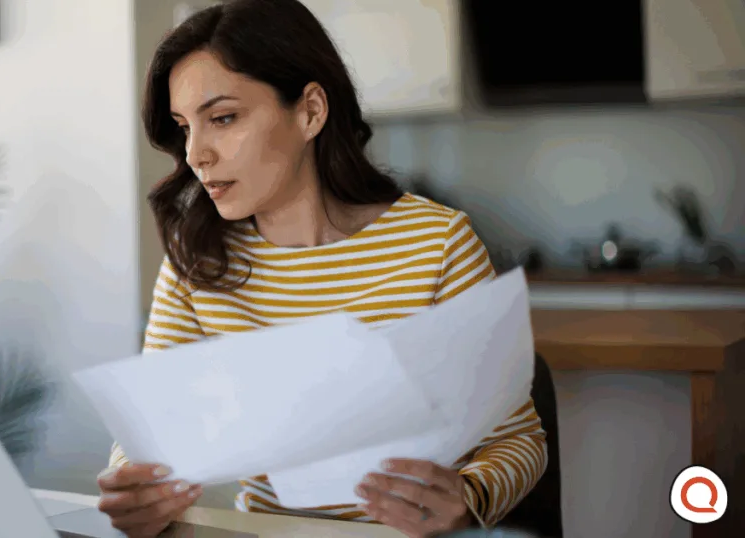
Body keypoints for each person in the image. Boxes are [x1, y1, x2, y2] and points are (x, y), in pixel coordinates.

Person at [95, 1, 547, 537]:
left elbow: (518, 439)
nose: (196, 154)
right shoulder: (197, 259)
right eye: (183, 127)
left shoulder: (437, 242)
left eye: (222, 118)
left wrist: (467, 499)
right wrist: (133, 484)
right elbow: (149, 437)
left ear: (310, 111)